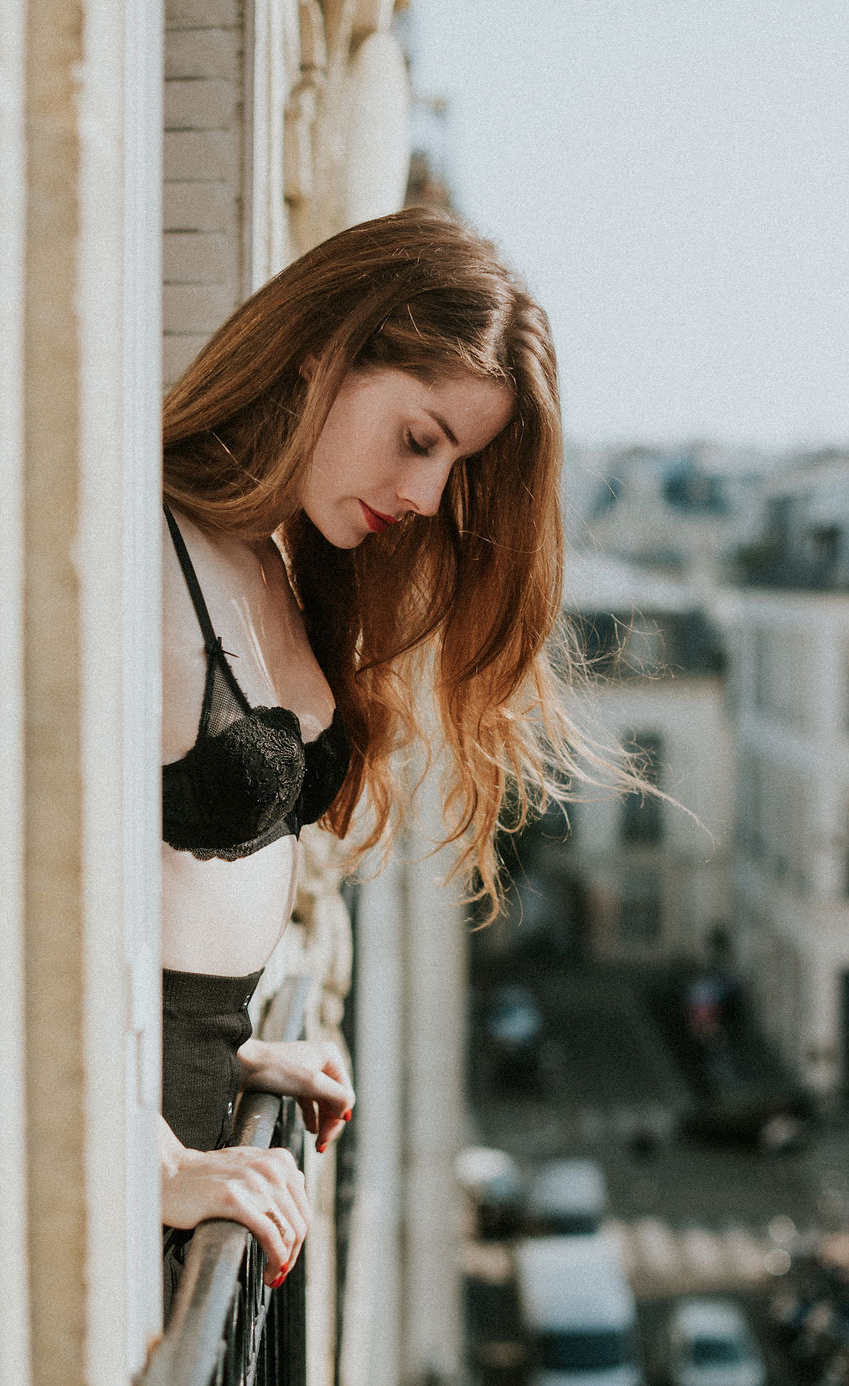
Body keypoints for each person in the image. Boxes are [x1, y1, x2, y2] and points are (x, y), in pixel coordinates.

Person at [159, 205, 583, 1302]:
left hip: (189, 1132)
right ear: (321, 355)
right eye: (419, 437)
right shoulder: (136, 543)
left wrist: (227, 1050)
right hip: (124, 1176)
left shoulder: (268, 560)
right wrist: (146, 1151)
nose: (429, 495)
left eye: (455, 463)